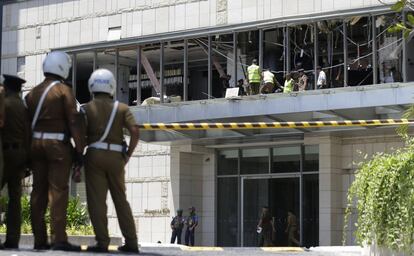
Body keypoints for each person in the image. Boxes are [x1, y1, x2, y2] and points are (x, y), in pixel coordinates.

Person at [25, 51, 85, 251]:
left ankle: (39, 240)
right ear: (62, 67)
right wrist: (79, 149)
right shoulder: (63, 90)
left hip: (35, 146)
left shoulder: (32, 94)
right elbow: (74, 120)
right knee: (58, 192)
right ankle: (58, 239)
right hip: (57, 147)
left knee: (38, 192)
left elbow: (26, 125)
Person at [83, 69, 140, 253]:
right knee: (120, 200)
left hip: (94, 155)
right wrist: (128, 155)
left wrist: (78, 157)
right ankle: (131, 243)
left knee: (97, 201)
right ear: (112, 86)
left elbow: (79, 135)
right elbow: (135, 131)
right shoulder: (122, 108)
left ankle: (102, 242)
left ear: (92, 85)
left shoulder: (86, 108)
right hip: (116, 157)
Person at [1, 75, 31, 249]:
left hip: (4, 154)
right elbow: (28, 134)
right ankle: (13, 240)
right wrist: (27, 161)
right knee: (15, 200)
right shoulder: (23, 107)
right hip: (20, 154)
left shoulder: (4, 104)